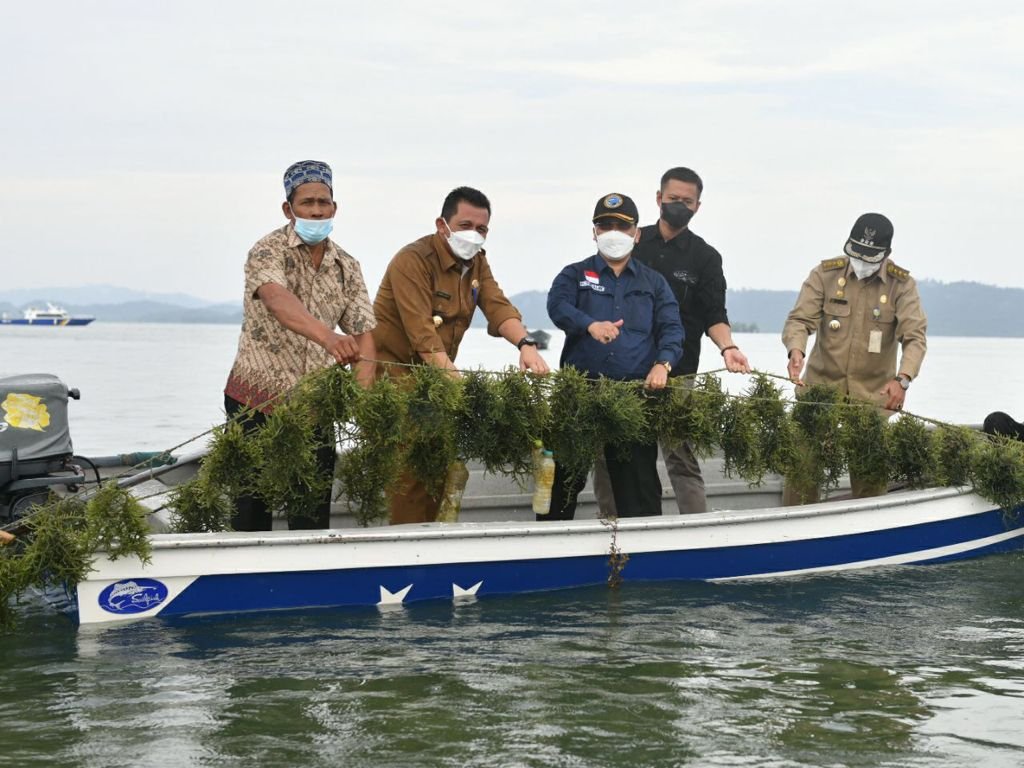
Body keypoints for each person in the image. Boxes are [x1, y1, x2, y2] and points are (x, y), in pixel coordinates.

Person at [372, 186, 549, 524]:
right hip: (394, 382)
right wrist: (460, 386)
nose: (474, 234)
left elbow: (496, 305)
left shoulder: (476, 262)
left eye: (481, 228)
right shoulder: (413, 260)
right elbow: (422, 334)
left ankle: (435, 543)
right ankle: (409, 552)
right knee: (410, 475)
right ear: (443, 225)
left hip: (436, 382)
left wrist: (526, 344)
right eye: (465, 224)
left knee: (440, 470)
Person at [224, 160, 377, 530]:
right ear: (288, 209)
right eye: (307, 203)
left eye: (323, 202)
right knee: (251, 510)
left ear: (334, 208)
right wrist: (329, 338)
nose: (316, 210)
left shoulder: (347, 265)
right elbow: (278, 300)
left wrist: (365, 392)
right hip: (256, 396)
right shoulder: (267, 250)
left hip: (314, 405)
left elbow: (364, 332)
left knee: (310, 512)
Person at [593, 167, 749, 516]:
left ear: (697, 206)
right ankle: (609, 525)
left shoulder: (706, 257)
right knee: (610, 452)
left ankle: (696, 528)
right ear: (659, 198)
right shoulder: (631, 241)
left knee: (680, 453)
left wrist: (728, 348)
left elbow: (714, 315)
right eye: (673, 198)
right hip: (623, 370)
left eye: (687, 201)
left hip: (677, 372)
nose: (679, 205)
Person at [543, 193, 684, 520]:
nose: (613, 233)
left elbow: (672, 328)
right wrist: (589, 324)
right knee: (560, 484)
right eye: (604, 226)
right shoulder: (574, 275)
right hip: (578, 395)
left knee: (639, 488)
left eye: (622, 227)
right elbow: (557, 306)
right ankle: (548, 548)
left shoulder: (654, 283)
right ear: (594, 232)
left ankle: (645, 554)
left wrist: (663, 364)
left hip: (632, 397)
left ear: (637, 234)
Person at [782, 212, 928, 503]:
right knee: (801, 464)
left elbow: (914, 338)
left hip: (872, 396)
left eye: (870, 256)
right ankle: (793, 527)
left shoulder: (902, 285)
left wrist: (903, 380)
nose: (861, 261)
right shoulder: (824, 275)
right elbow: (799, 320)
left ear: (886, 254)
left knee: (870, 476)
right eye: (856, 253)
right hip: (820, 389)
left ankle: (869, 532)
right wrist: (795, 350)